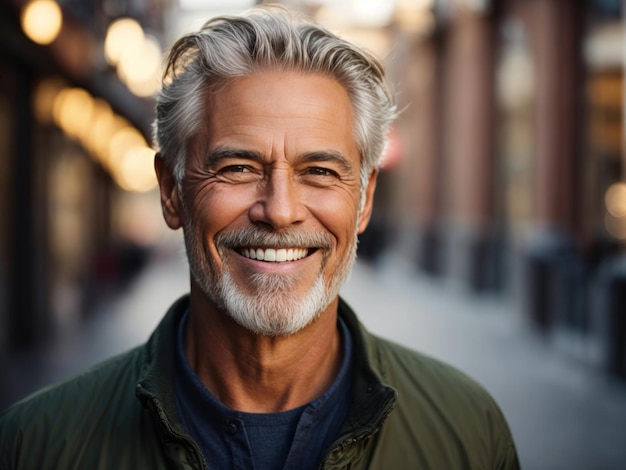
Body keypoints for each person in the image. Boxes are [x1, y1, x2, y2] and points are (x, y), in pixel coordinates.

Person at [0, 6, 519, 469]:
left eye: (318, 170)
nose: (281, 211)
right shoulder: (36, 445)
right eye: (238, 167)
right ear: (172, 191)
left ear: (363, 199)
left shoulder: (469, 434)